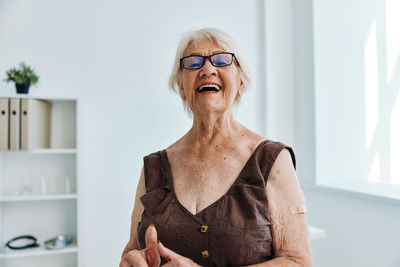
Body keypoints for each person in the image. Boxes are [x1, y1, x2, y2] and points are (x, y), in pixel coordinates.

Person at [119, 28, 312, 267]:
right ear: (181, 87)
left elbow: (298, 262)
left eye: (222, 60)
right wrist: (132, 259)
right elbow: (132, 250)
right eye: (193, 62)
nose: (207, 69)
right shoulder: (154, 167)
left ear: (241, 82)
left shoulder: (271, 160)